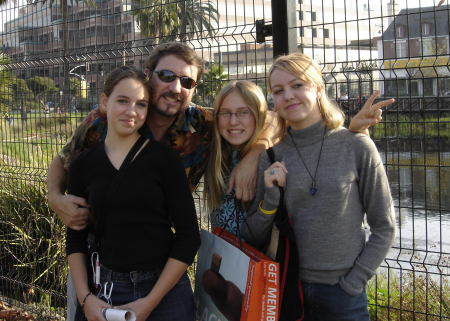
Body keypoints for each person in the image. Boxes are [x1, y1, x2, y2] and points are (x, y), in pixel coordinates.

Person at [47, 42, 271, 321]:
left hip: (162, 261)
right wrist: (55, 198)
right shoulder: (108, 120)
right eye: (167, 76)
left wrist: (256, 154)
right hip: (99, 257)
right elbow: (64, 161)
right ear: (149, 76)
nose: (176, 88)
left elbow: (264, 119)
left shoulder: (202, 124)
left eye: (187, 81)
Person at [242, 52, 396, 321]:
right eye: (278, 91)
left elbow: (384, 226)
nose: (288, 95)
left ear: (318, 88)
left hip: (343, 295)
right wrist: (270, 202)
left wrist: (353, 283)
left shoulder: (356, 146)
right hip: (287, 291)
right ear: (273, 100)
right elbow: (251, 236)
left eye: (297, 85)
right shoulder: (270, 157)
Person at [66, 65, 201, 321]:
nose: (131, 111)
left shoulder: (165, 159)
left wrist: (150, 302)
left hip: (164, 291)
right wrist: (85, 299)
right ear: (104, 102)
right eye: (122, 101)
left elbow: (188, 237)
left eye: (141, 104)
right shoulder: (82, 166)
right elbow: (75, 239)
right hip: (104, 290)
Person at [204, 80, 270, 237]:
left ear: (259, 116)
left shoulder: (272, 159)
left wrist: (257, 153)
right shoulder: (209, 149)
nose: (233, 121)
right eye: (225, 113)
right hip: (220, 256)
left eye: (243, 112)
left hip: (260, 258)